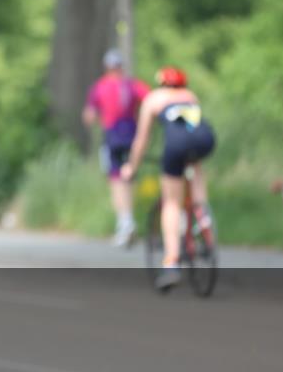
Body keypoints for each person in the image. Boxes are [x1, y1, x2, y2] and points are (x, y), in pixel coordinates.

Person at [120, 67, 216, 291]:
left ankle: (172, 262)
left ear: (161, 83)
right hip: (205, 140)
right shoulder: (190, 96)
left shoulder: (153, 99)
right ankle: (203, 218)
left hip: (176, 145)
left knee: (171, 202)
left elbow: (141, 140)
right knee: (194, 164)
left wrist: (131, 167)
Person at [82, 48, 150, 247]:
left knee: (115, 179)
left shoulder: (100, 87)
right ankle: (128, 220)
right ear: (121, 66)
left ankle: (125, 221)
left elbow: (89, 116)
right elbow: (149, 99)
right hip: (132, 135)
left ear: (106, 67)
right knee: (129, 177)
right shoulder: (133, 85)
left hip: (112, 137)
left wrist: (97, 117)